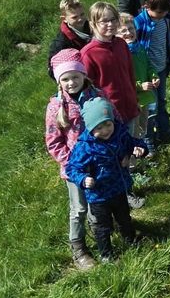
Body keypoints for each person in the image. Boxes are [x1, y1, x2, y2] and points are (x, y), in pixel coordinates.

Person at [65, 97, 148, 262]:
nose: (105, 130)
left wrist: (140, 149)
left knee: (124, 217)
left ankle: (130, 240)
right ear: (89, 127)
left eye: (108, 124)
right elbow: (72, 168)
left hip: (118, 187)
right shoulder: (85, 147)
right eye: (99, 127)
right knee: (103, 227)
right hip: (98, 195)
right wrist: (83, 179)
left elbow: (134, 143)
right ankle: (106, 254)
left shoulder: (120, 133)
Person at [45, 49, 103, 270]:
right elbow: (53, 141)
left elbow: (112, 122)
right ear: (59, 81)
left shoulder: (97, 96)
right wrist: (72, 163)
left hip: (99, 162)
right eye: (65, 79)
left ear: (84, 76)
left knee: (97, 203)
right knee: (78, 208)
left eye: (75, 77)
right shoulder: (55, 107)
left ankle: (101, 237)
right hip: (74, 168)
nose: (71, 83)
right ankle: (78, 248)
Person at [80, 2, 140, 136]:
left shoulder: (121, 44)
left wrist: (135, 99)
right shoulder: (88, 54)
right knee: (117, 152)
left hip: (130, 107)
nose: (111, 24)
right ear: (93, 24)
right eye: (104, 21)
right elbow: (88, 89)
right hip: (108, 115)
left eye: (113, 19)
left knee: (133, 147)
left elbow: (130, 74)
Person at [132, 0, 170, 138]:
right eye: (159, 12)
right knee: (150, 105)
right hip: (146, 73)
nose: (162, 15)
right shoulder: (138, 24)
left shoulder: (166, 20)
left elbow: (169, 42)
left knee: (161, 100)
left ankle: (164, 130)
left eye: (165, 11)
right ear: (146, 7)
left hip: (161, 68)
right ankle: (148, 137)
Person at [118, 13, 156, 151]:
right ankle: (133, 164)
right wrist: (140, 86)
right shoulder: (121, 54)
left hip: (145, 97)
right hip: (133, 99)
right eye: (123, 31)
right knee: (132, 131)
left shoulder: (139, 47)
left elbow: (148, 65)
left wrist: (153, 76)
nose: (129, 33)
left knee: (143, 127)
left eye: (131, 29)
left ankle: (142, 153)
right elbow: (122, 80)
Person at [48, 0, 93, 80]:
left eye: (82, 14)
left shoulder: (94, 27)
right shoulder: (61, 43)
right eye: (74, 17)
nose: (80, 19)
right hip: (80, 81)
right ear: (64, 19)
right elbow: (52, 70)